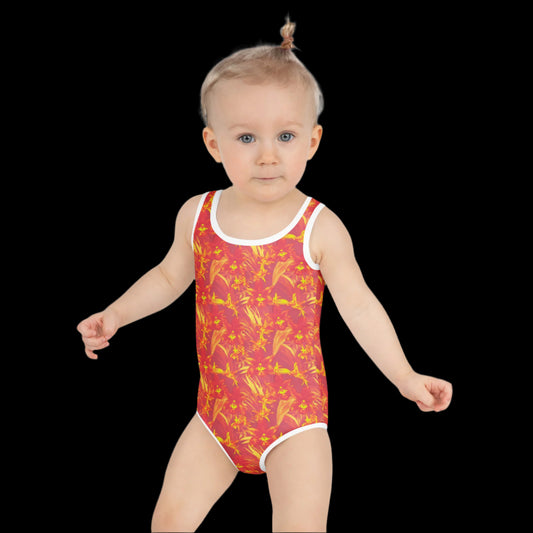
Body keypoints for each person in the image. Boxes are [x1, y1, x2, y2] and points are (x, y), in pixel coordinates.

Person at [77, 18, 452, 532]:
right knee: (168, 522)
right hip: (214, 420)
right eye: (247, 137)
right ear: (214, 144)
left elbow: (360, 306)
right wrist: (116, 313)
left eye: (286, 136)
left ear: (313, 141)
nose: (268, 155)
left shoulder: (319, 227)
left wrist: (405, 377)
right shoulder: (198, 215)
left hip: (295, 423)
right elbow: (167, 278)